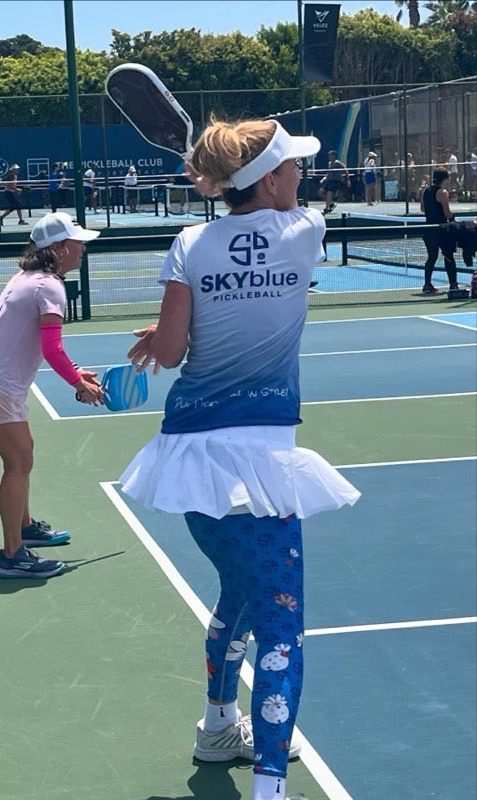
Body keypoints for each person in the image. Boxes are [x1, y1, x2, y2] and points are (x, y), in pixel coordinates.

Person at [119, 119, 361, 800]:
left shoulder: (189, 242)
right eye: (294, 170)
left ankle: (218, 725)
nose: (301, 180)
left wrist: (175, 323)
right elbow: (275, 246)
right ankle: (271, 792)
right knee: (283, 625)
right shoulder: (305, 231)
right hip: (259, 461)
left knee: (243, 595)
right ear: (273, 179)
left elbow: (169, 354)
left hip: (187, 460)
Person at [0, 212, 105, 578]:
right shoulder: (49, 286)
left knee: (24, 455)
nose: (82, 248)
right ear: (57, 248)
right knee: (17, 464)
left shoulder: (29, 278)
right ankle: (13, 556)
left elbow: (36, 341)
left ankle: (24, 528)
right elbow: (52, 349)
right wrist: (78, 385)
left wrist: (75, 373)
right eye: (76, 242)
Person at [420, 168, 459, 294]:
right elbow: (447, 214)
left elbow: (422, 209)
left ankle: (427, 284)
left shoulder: (425, 191)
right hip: (442, 230)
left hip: (428, 229)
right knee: (448, 256)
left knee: (432, 257)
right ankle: (453, 284)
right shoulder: (443, 192)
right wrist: (453, 217)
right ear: (444, 179)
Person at [320, 149, 349, 214]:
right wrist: (324, 178)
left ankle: (326, 208)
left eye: (330, 155)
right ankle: (331, 203)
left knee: (329, 193)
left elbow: (345, 169)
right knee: (320, 192)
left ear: (334, 156)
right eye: (329, 155)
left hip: (336, 180)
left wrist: (348, 179)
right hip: (329, 180)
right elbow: (328, 173)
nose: (329, 156)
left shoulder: (337, 163)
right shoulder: (329, 163)